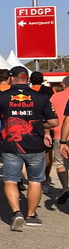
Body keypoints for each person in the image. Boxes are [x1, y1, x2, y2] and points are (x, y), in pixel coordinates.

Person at [0, 66, 57, 231]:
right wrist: (41, 128)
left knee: (11, 180)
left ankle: (16, 212)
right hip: (35, 145)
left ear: (11, 78)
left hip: (11, 145)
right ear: (27, 78)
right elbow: (54, 122)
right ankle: (31, 215)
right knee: (35, 180)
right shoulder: (40, 97)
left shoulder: (1, 96)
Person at [51, 77, 69, 205]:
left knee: (60, 163)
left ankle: (65, 188)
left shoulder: (55, 97)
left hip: (60, 133)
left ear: (63, 85)